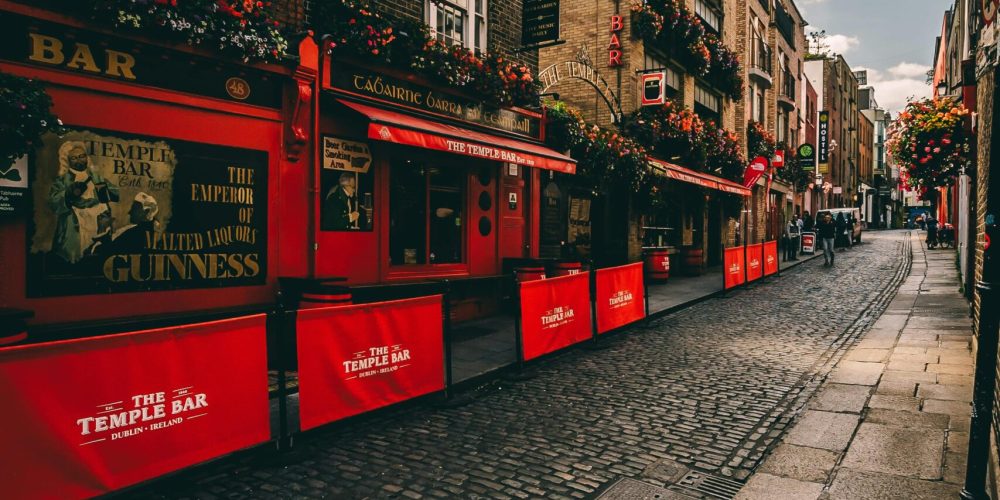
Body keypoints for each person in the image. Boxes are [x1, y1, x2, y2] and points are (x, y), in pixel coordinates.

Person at [47, 141, 120, 264]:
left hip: (99, 225)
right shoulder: (63, 180)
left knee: (98, 258)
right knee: (78, 260)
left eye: (82, 156)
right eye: (74, 158)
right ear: (67, 161)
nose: (79, 160)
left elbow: (115, 194)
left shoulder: (96, 176)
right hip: (77, 226)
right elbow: (54, 202)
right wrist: (69, 193)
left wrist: (102, 187)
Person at [88, 192, 159, 256]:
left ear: (146, 211)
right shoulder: (152, 230)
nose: (130, 212)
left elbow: (102, 252)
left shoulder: (134, 234)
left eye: (134, 208)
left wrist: (102, 230)